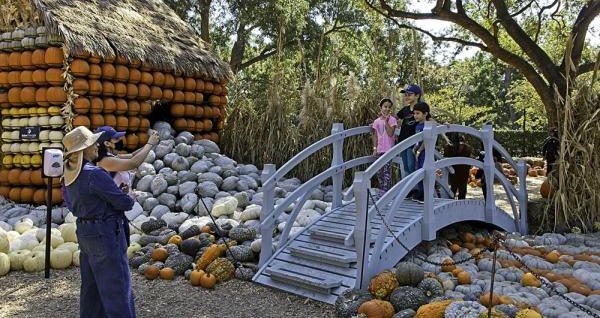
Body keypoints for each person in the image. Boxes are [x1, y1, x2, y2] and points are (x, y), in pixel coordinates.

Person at [62, 126, 136, 318]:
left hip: (85, 231)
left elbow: (70, 204)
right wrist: (128, 196)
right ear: (84, 149)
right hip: (106, 231)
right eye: (92, 143)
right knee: (117, 288)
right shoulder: (94, 173)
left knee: (91, 289)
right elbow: (123, 202)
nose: (97, 146)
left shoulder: (69, 173)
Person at [93, 126, 160, 196]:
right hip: (117, 204)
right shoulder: (105, 161)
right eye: (116, 138)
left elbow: (133, 155)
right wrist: (149, 144)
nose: (120, 139)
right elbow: (133, 163)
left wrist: (150, 144)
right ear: (107, 143)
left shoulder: (112, 156)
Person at [372, 98, 398, 196]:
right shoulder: (376, 121)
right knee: (379, 172)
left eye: (389, 107)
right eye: (385, 107)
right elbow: (375, 135)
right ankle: (382, 189)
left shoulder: (392, 120)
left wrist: (386, 121)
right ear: (381, 107)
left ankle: (386, 192)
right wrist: (374, 148)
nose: (387, 109)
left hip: (388, 150)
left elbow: (391, 134)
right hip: (379, 150)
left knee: (387, 171)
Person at [396, 84, 422, 178]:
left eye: (409, 94)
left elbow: (429, 119)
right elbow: (394, 118)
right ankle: (410, 190)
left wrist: (442, 125)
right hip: (403, 141)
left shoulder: (420, 109)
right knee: (406, 166)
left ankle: (416, 189)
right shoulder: (405, 110)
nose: (407, 97)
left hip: (413, 142)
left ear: (417, 96)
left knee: (412, 166)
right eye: (405, 94)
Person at [410, 102, 432, 201]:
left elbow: (426, 141)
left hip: (425, 153)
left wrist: (419, 150)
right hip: (418, 153)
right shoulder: (417, 126)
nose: (415, 116)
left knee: (425, 172)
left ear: (425, 114)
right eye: (414, 113)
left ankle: (425, 194)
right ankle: (420, 192)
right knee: (418, 171)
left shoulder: (427, 125)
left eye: (418, 113)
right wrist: (415, 147)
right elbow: (418, 140)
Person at [443, 132, 473, 199]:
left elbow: (445, 157)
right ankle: (459, 200)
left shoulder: (448, 147)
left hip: (454, 170)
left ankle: (451, 200)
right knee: (461, 187)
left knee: (454, 187)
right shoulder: (468, 148)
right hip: (463, 170)